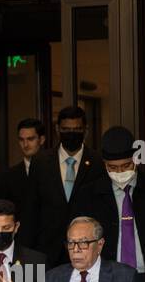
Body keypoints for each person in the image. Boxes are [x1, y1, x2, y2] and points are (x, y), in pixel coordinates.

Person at [77, 126, 145, 282]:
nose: (120, 171)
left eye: (126, 166)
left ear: (136, 160)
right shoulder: (88, 195)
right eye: (113, 168)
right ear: (104, 164)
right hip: (106, 279)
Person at [32, 105, 104, 267]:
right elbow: (32, 208)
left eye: (76, 129)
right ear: (58, 130)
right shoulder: (41, 162)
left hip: (86, 249)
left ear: (85, 130)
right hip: (47, 250)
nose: (71, 134)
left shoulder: (98, 162)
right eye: (66, 129)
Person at [0, 118, 48, 248]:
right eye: (21, 140)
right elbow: (3, 212)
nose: (25, 144)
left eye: (30, 139)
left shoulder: (54, 172)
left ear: (41, 140)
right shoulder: (8, 176)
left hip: (50, 243)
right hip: (20, 244)